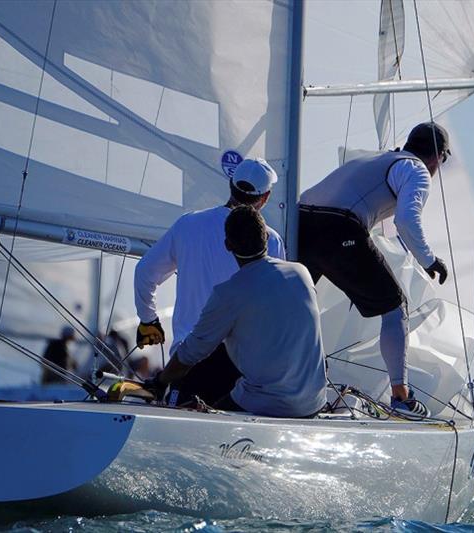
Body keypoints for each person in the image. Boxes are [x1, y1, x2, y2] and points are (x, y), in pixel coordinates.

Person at [298, 122, 451, 417]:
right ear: (438, 157)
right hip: (338, 226)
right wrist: (429, 260)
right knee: (396, 306)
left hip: (301, 221)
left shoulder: (377, 159)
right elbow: (406, 221)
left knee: (295, 306)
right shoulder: (417, 170)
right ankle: (401, 397)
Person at [145, 206, 327, 418]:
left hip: (268, 404)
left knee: (201, 402)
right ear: (266, 239)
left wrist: (159, 382)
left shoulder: (228, 293)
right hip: (314, 402)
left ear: (227, 245)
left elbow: (190, 353)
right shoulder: (301, 273)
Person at [134, 158, 286, 406]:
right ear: (265, 197)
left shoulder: (188, 225)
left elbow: (144, 272)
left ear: (230, 185)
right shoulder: (272, 240)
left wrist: (148, 320)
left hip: (187, 363)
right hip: (242, 368)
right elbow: (275, 308)